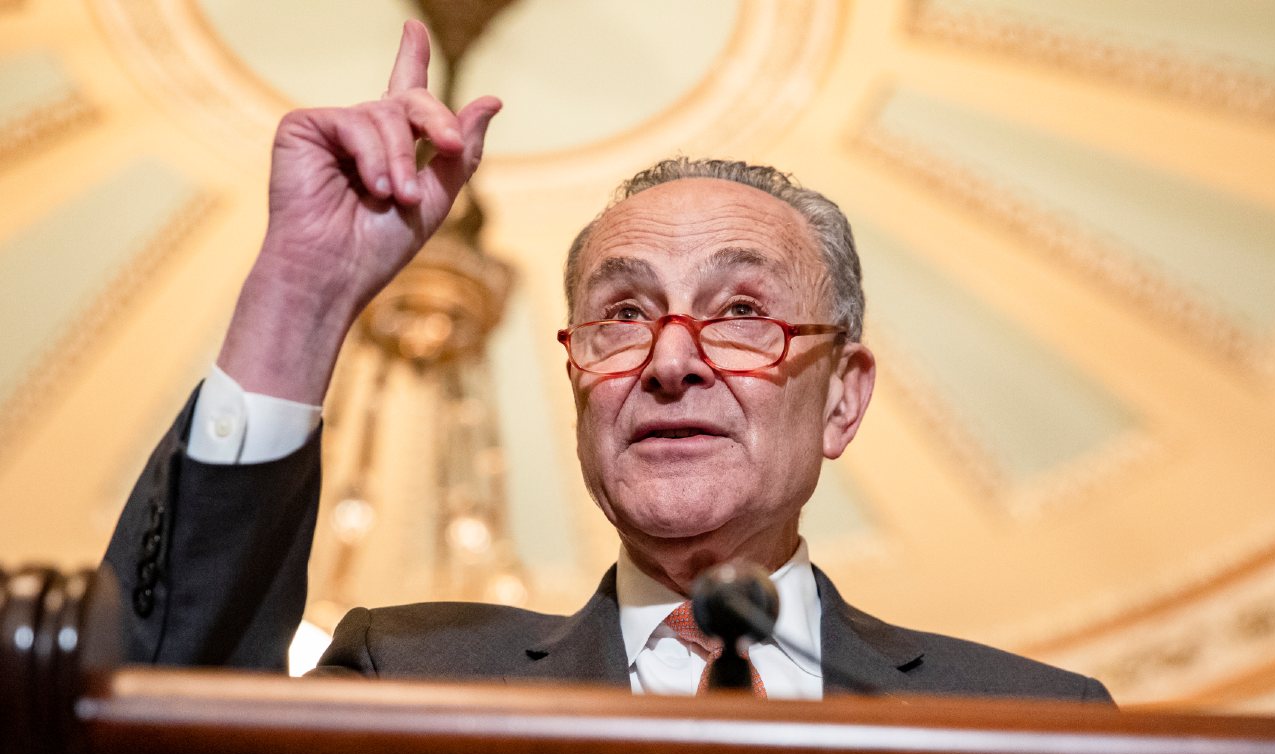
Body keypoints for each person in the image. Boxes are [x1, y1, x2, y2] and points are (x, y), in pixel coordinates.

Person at [104, 21, 1110, 703]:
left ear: (842, 399)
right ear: (580, 378)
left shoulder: (1040, 721)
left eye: (743, 309)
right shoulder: (409, 674)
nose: (671, 359)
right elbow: (144, 737)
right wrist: (301, 294)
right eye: (623, 314)